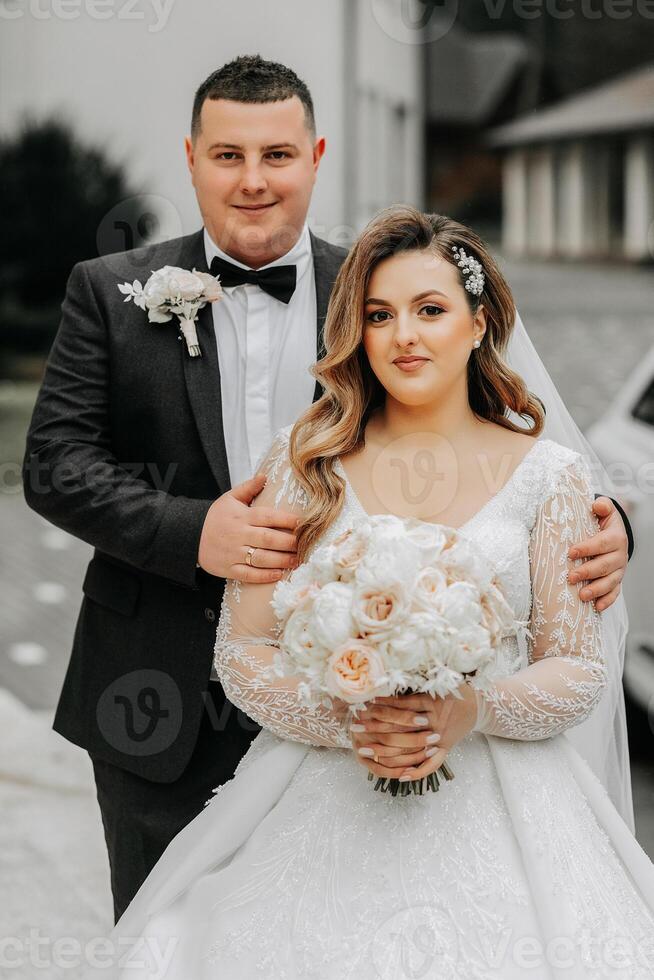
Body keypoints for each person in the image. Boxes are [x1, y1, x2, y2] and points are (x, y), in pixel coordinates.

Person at [23, 56, 631, 926]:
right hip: (156, 690)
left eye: (277, 154)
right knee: (174, 935)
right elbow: (57, 462)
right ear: (191, 158)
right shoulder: (112, 292)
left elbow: (523, 460)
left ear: (315, 157)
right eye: (228, 155)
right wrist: (194, 532)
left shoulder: (384, 286)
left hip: (401, 712)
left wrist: (611, 538)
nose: (254, 180)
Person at [85, 208, 653, 980]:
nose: (403, 336)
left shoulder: (548, 477)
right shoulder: (306, 461)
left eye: (430, 310)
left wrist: (466, 711)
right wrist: (353, 720)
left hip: (505, 798)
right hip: (320, 791)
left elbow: (579, 670)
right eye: (380, 315)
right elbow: (243, 651)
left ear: (479, 322)